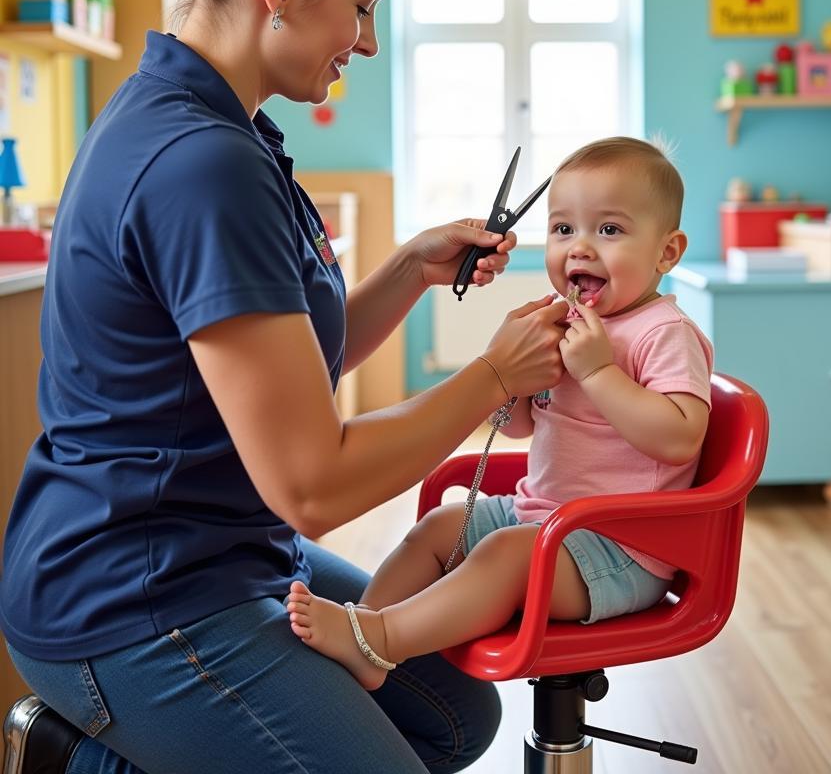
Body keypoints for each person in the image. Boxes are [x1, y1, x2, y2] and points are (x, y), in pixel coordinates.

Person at [0, 0, 570, 774]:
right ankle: (80, 754)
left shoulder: (230, 129)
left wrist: (410, 270)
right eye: (362, 6)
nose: (369, 41)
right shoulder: (203, 165)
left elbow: (286, 374)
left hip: (218, 551)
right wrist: (491, 379)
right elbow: (313, 484)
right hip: (135, 594)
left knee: (455, 715)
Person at [284, 137, 714, 690]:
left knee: (508, 555)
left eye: (609, 230)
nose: (579, 248)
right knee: (442, 526)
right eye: (563, 229)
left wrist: (598, 375)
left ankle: (382, 639)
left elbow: (680, 438)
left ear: (667, 253)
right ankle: (361, 633)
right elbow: (520, 427)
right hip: (545, 517)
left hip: (622, 552)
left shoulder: (664, 333)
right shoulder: (569, 327)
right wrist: (512, 378)